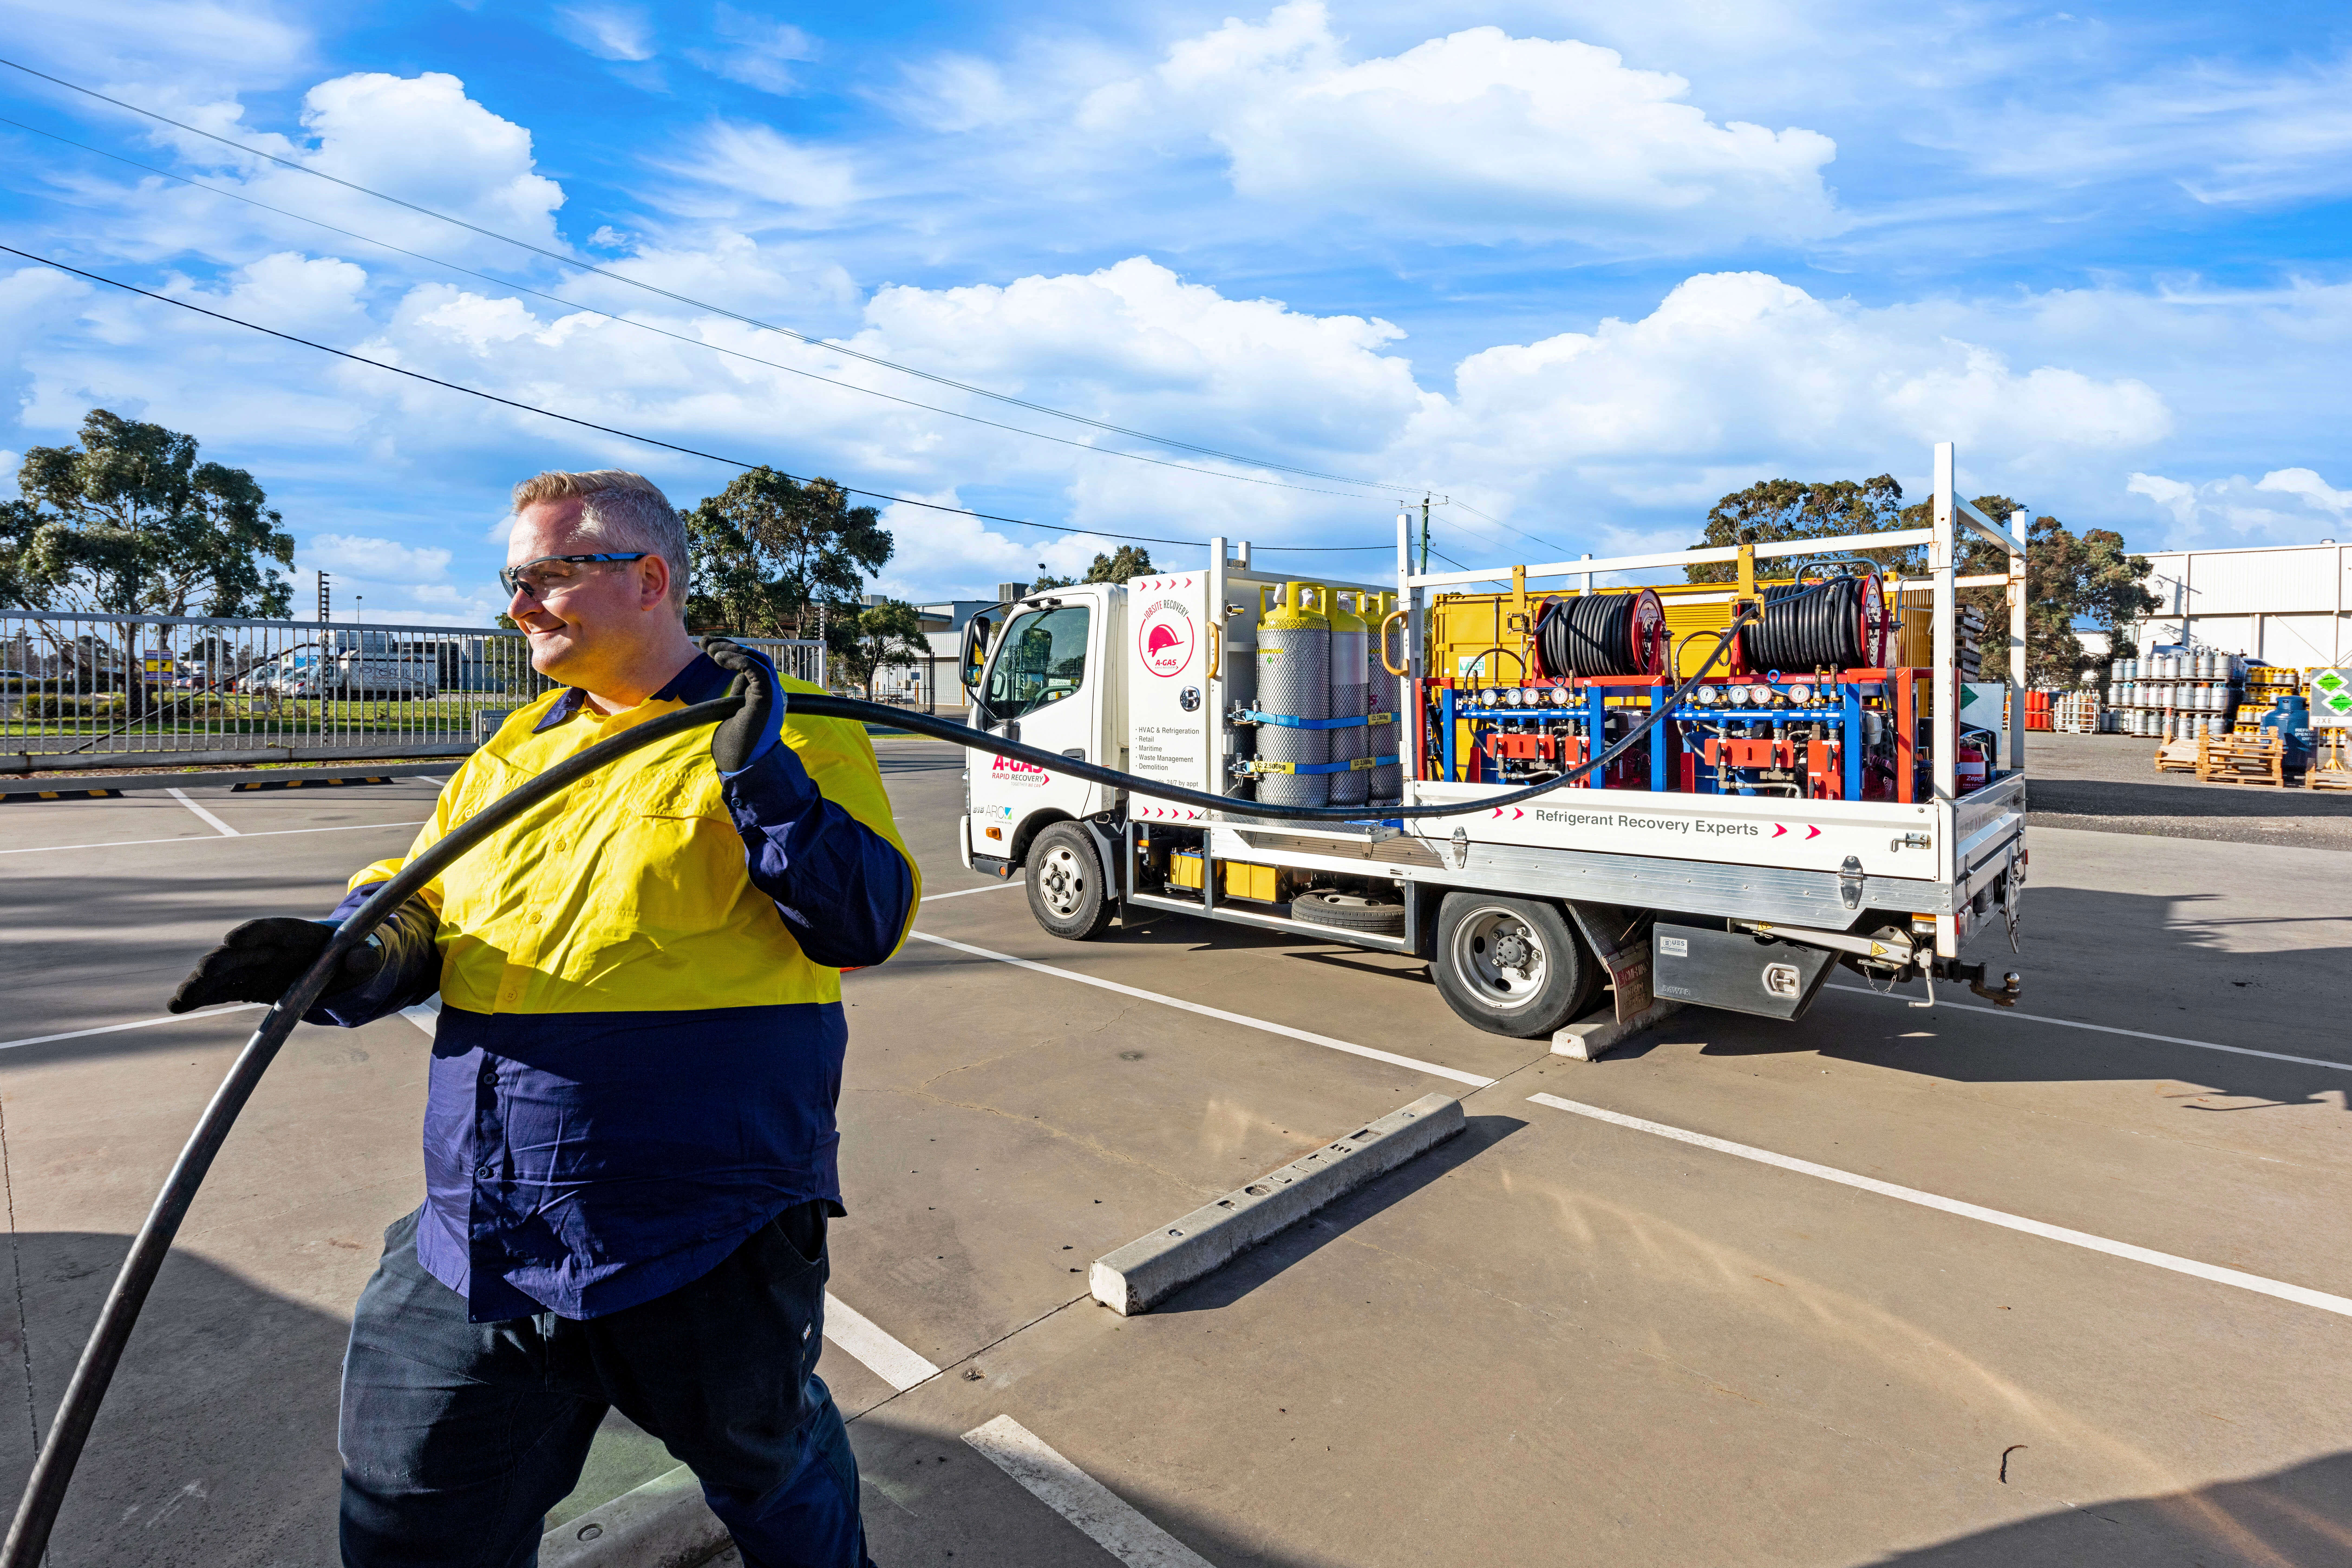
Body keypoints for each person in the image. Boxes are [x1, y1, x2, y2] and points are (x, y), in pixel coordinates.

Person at [168, 469, 919, 1568]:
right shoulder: (513, 748)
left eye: (545, 577)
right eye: (511, 580)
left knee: (776, 1480)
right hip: (480, 1233)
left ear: (649, 578)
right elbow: (426, 898)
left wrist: (760, 778)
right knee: (409, 1516)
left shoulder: (780, 733)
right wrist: (349, 951)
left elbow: (863, 918)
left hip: (700, 1237)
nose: (517, 606)